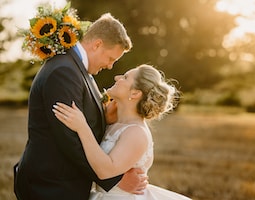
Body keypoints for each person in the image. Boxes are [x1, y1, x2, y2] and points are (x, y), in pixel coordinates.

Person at [14, 13, 147, 200]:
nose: (110, 66)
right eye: (110, 58)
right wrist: (114, 179)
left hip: (63, 183)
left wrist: (104, 117)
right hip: (49, 186)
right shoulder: (64, 71)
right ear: (97, 44)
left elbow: (84, 121)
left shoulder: (78, 70)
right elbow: (69, 139)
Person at [52, 64, 192, 199]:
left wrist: (82, 127)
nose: (117, 78)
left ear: (135, 93)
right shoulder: (114, 123)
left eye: (125, 77)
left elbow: (105, 171)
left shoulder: (136, 133)